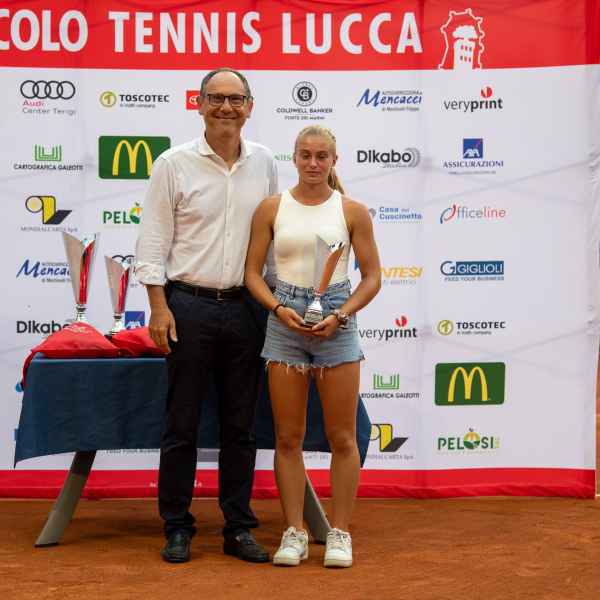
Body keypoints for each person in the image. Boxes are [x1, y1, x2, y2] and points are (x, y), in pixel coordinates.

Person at [135, 68, 277, 564]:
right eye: (215, 98)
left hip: (247, 308)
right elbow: (152, 241)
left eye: (235, 99)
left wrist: (278, 304)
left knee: (241, 427)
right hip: (187, 306)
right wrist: (158, 306)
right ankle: (177, 526)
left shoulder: (265, 162)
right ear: (198, 104)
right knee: (182, 424)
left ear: (249, 107)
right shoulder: (173, 164)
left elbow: (272, 241)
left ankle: (238, 527)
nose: (225, 107)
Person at [244, 125, 381, 568]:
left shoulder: (352, 211)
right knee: (288, 438)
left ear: (334, 161)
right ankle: (294, 532)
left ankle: (339, 533)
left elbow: (373, 277)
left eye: (322, 156)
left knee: (343, 436)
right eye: (305, 155)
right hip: (284, 321)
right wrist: (277, 308)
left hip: (337, 320)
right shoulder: (271, 208)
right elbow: (251, 274)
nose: (313, 163)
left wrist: (341, 315)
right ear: (294, 158)